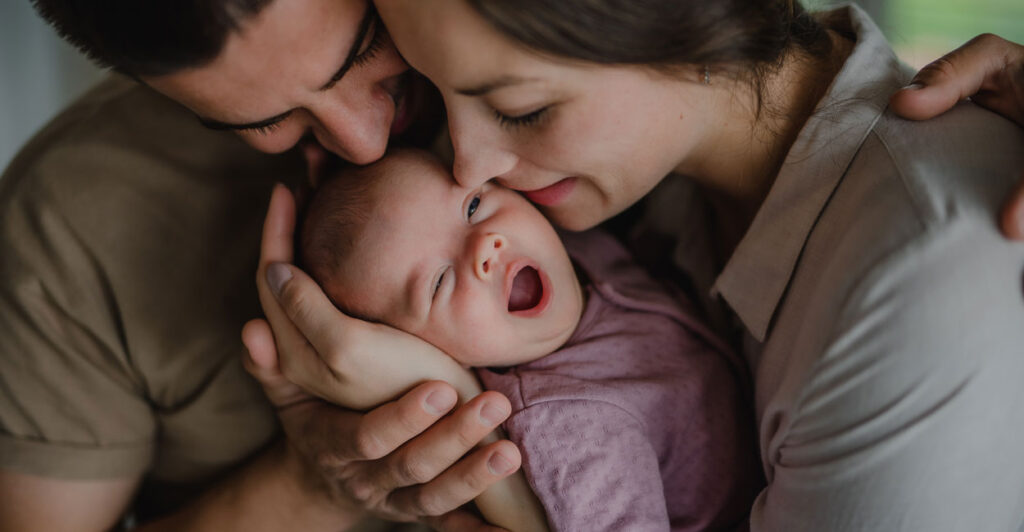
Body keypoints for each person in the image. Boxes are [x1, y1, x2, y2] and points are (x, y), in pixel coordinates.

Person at [1, 0, 1023, 530]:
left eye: (365, 41)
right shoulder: (73, 216)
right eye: (269, 119)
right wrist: (324, 477)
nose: (366, 139)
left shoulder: (613, 144)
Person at [298, 148, 762, 531]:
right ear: (429, 352)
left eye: (474, 206)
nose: (485, 246)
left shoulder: (574, 247)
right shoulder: (567, 425)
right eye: (439, 283)